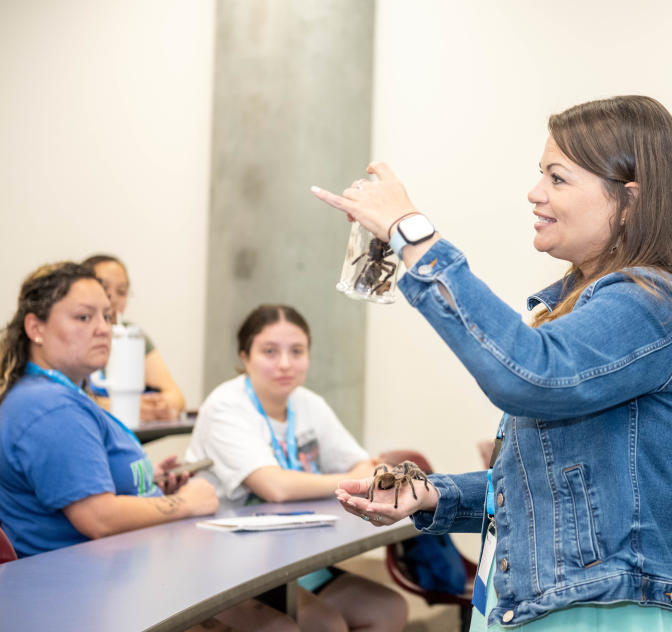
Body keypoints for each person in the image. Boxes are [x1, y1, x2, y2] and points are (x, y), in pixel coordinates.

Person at [314, 96, 672, 630]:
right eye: (541, 175)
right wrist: (430, 495)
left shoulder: (649, 303)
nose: (535, 193)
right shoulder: (594, 306)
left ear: (629, 201)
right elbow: (544, 495)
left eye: (558, 179)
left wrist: (412, 232)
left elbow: (527, 374)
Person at [0, 263, 328, 632]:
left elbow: (85, 484)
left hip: (123, 572)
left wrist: (146, 480)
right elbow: (98, 517)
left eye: (107, 316)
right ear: (35, 328)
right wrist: (185, 503)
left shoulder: (64, 395)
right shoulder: (50, 407)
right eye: (83, 316)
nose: (102, 328)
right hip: (84, 597)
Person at [186, 303, 408, 632]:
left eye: (297, 351)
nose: (285, 364)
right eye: (270, 351)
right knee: (324, 625)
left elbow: (366, 464)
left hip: (291, 554)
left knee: (389, 609)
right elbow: (275, 487)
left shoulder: (307, 403)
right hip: (229, 564)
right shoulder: (225, 406)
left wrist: (360, 474)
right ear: (244, 356)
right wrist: (354, 478)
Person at [81, 254, 185, 422]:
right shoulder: (74, 333)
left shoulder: (131, 335)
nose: (112, 299)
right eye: (103, 288)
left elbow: (176, 397)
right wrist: (120, 407)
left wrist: (159, 406)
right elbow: (66, 398)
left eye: (121, 292)